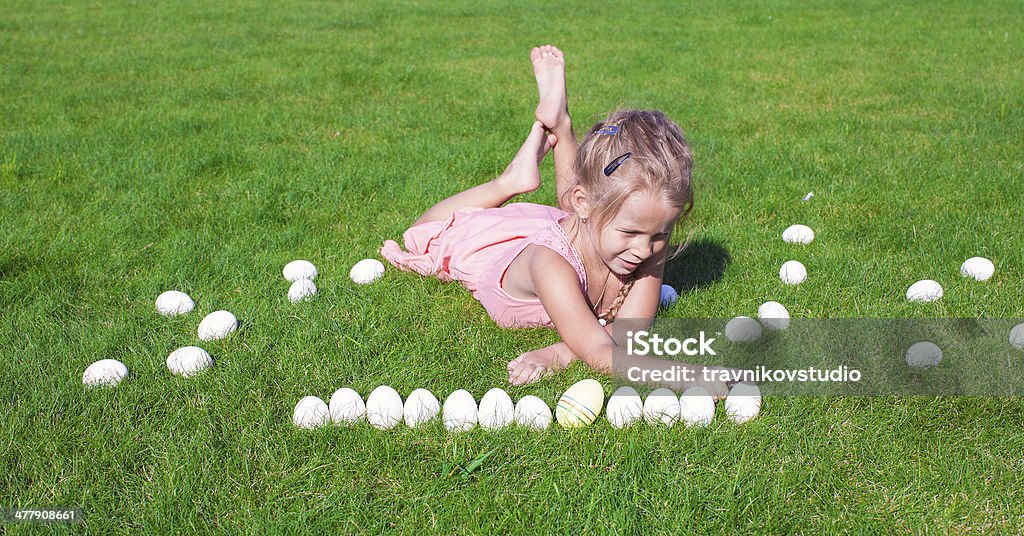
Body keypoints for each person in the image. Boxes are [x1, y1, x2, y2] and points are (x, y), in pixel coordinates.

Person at [381, 45, 728, 396]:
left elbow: (631, 332)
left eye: (659, 235)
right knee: (424, 232)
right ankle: (509, 181)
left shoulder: (642, 234)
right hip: (499, 253)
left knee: (585, 205)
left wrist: (562, 351)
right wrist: (692, 376)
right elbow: (599, 351)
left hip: (577, 225)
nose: (644, 250)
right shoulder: (550, 263)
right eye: (631, 232)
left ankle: (560, 124)